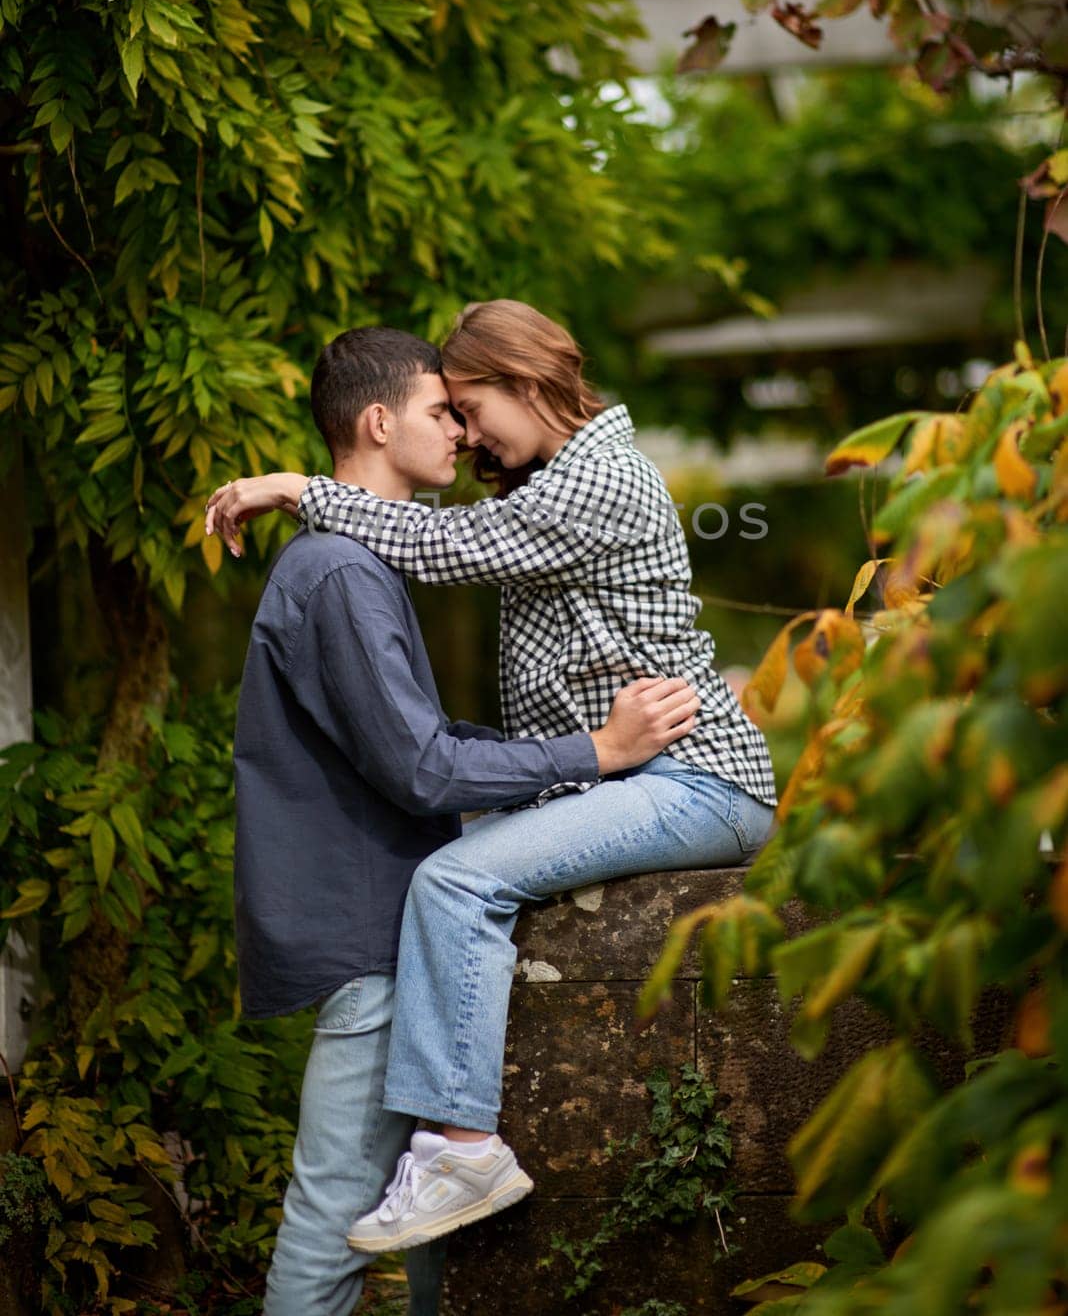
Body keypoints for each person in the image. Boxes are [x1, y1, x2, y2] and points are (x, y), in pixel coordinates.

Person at [208, 298, 777, 1260]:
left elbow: (439, 545)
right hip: (630, 781)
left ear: (523, 381)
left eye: (470, 407)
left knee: (454, 878)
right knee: (448, 871)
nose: (467, 434)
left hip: (692, 778)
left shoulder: (598, 480)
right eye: (451, 416)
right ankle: (440, 1159)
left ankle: (463, 1147)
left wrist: (296, 488)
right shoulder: (552, 484)